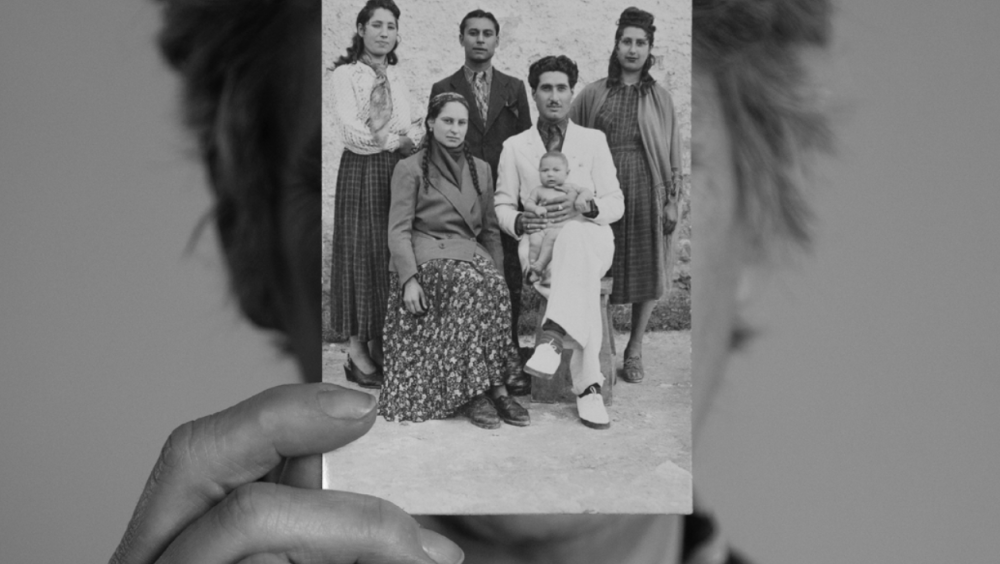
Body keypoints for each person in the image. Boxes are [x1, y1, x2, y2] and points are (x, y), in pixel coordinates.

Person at [113, 0, 831, 562]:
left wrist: (575, 211)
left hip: (559, 251)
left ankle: (547, 353)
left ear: (762, 217)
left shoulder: (566, 149)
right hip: (494, 258)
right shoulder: (475, 158)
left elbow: (588, 206)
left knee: (575, 248)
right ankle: (547, 361)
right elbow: (487, 219)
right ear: (251, 245)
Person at [379, 92, 530, 429]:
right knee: (467, 284)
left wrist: (498, 273)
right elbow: (398, 230)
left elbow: (490, 231)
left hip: (468, 252)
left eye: (461, 123)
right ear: (431, 123)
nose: (455, 129)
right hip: (427, 253)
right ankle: (474, 393)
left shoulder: (481, 170)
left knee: (491, 285)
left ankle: (499, 387)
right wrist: (408, 279)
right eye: (447, 121)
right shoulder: (410, 168)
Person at [494, 54, 625, 430]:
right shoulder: (516, 146)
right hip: (540, 247)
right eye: (545, 88)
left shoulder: (593, 141)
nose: (554, 96)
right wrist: (519, 218)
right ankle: (588, 390)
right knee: (578, 272)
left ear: (572, 92)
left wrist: (590, 204)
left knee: (577, 236)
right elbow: (502, 203)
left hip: (592, 237)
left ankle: (551, 339)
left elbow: (616, 202)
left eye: (562, 88)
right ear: (533, 94)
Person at [569, 6, 683, 384]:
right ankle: (602, 344)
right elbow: (571, 142)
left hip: (646, 189)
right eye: (626, 41)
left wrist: (671, 199)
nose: (633, 49)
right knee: (599, 269)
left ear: (650, 49)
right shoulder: (592, 94)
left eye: (641, 43)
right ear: (616, 46)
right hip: (603, 192)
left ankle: (634, 348)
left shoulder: (660, 99)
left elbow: (672, 152)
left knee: (646, 270)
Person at [429, 9, 533, 394]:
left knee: (507, 278)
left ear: (496, 41)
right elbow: (436, 144)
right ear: (461, 39)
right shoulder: (445, 85)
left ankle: (506, 354)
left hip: (502, 195)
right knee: (463, 278)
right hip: (461, 197)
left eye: (487, 33)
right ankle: (463, 360)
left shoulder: (513, 87)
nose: (480, 39)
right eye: (472, 33)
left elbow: (523, 142)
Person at [329, 0, 423, 389]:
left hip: (395, 174)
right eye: (377, 25)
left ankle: (381, 339)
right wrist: (396, 141)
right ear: (361, 29)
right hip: (361, 173)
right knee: (359, 251)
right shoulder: (345, 75)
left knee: (388, 253)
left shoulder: (398, 79)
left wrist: (401, 140)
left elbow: (417, 129)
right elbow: (353, 134)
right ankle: (355, 349)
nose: (384, 33)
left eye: (391, 27)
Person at [520, 151, 595, 283]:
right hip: (543, 226)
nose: (550, 174)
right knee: (534, 240)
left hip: (561, 228)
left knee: (550, 239)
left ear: (567, 172)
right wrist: (536, 208)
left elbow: (587, 192)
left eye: (556, 170)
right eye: (544, 170)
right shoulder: (538, 190)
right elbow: (528, 203)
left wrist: (581, 198)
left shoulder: (569, 187)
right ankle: (533, 268)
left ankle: (540, 264)